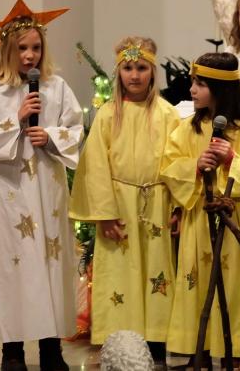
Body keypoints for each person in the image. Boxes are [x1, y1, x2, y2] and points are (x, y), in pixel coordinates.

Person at [0, 1, 84, 371]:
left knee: (52, 266)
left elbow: (74, 130)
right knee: (14, 268)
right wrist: (15, 120)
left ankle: (51, 348)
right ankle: (12, 349)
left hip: (48, 193)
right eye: (22, 48)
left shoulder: (58, 88)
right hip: (11, 194)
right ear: (8, 51)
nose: (30, 55)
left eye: (36, 47)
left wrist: (48, 135)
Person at [68, 37, 181, 365]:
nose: (135, 75)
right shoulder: (107, 115)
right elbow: (95, 167)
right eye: (128, 68)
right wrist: (103, 214)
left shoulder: (167, 114)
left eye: (141, 68)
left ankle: (156, 340)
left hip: (156, 203)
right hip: (119, 206)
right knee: (120, 274)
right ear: (118, 72)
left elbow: (178, 163)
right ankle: (119, 340)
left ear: (152, 71)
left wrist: (176, 208)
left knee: (156, 271)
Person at [160, 52, 240, 366]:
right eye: (193, 81)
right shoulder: (186, 129)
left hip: (231, 223)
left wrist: (233, 161)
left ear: (220, 88)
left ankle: (232, 350)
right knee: (196, 282)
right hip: (197, 222)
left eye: (200, 83)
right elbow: (168, 167)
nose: (192, 89)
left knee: (231, 285)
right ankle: (199, 348)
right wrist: (194, 166)